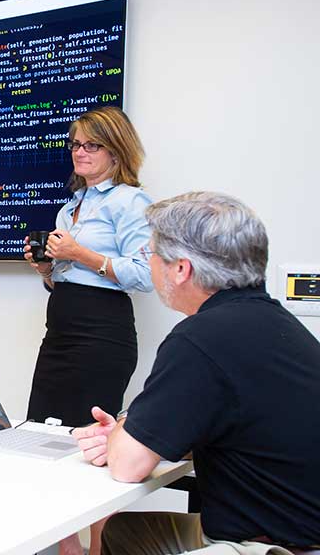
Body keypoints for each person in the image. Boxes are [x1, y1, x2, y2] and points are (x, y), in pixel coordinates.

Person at [73, 192, 320, 555]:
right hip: (299, 526)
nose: (149, 262)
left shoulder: (201, 339)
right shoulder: (277, 324)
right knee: (127, 531)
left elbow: (127, 465)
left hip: (269, 546)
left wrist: (124, 433)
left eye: (151, 254)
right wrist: (140, 429)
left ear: (181, 269)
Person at [23, 106, 153, 555]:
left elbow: (144, 275)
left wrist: (79, 253)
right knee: (46, 438)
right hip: (61, 329)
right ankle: (67, 549)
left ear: (115, 151)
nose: (80, 152)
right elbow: (66, 277)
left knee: (92, 448)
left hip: (103, 334)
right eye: (75, 144)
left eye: (91, 144)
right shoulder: (70, 206)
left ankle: (100, 548)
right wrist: (46, 267)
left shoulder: (131, 202)